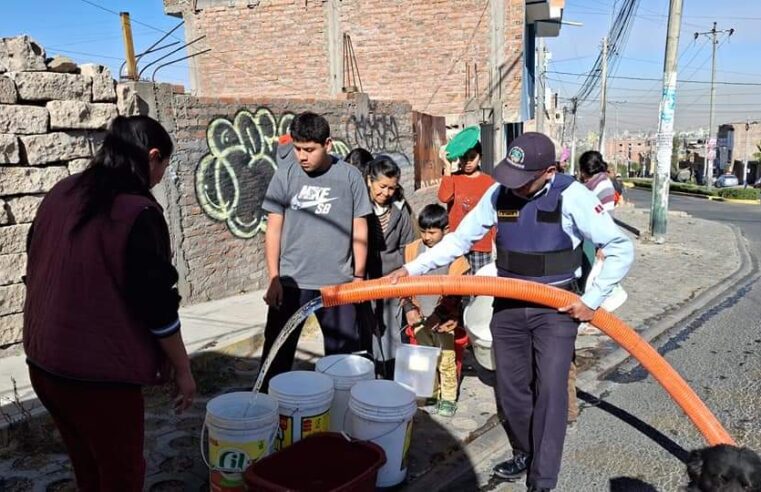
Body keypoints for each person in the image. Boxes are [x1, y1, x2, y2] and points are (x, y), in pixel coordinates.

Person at [388, 132, 633, 491]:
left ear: (549, 171)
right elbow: (459, 240)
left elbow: (620, 247)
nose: (514, 186)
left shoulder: (571, 196)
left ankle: (542, 480)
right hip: (508, 304)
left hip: (557, 309)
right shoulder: (501, 191)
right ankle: (524, 452)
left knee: (550, 393)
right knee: (510, 388)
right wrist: (412, 270)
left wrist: (590, 300)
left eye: (524, 179)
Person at [23, 115, 196, 490]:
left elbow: (33, 258)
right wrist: (182, 367)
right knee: (121, 473)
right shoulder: (136, 213)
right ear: (153, 157)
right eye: (164, 165)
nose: (162, 174)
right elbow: (156, 305)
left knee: (88, 465)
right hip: (98, 379)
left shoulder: (62, 193)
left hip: (43, 364)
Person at [258, 112, 372, 391]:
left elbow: (360, 228)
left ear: (328, 144)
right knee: (275, 361)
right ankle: (269, 416)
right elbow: (273, 229)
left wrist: (358, 277)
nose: (302, 156)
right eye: (297, 149)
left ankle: (338, 420)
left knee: (343, 363)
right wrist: (274, 277)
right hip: (291, 284)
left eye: (309, 149)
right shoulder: (285, 175)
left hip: (338, 285)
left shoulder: (350, 177)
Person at [401, 204, 469, 417]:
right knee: (425, 358)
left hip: (444, 320)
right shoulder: (413, 250)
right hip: (420, 316)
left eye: (432, 232)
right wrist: (409, 307)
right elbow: (404, 283)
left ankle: (448, 397)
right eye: (423, 231)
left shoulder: (455, 256)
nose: (427, 237)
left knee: (446, 360)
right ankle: (430, 392)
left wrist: (443, 314)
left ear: (446, 229)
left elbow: (460, 291)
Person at [365, 155, 416, 377]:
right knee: (368, 334)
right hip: (364, 283)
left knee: (393, 337)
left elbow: (408, 248)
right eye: (382, 186)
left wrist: (408, 296)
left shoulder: (400, 209)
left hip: (393, 284)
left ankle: (390, 382)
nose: (386, 193)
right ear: (369, 180)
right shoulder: (360, 206)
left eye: (391, 188)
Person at [438, 126, 495, 274]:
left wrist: (497, 243)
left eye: (472, 157)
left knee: (479, 290)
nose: (468, 162)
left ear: (480, 157)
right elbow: (445, 197)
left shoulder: (489, 182)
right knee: (457, 289)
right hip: (457, 243)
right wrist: (447, 167)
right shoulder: (453, 177)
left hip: (480, 244)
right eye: (464, 157)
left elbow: (494, 213)